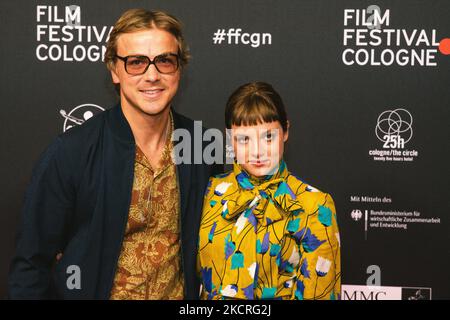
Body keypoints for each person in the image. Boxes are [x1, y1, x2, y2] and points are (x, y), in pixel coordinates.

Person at [8, 8, 221, 299]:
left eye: (165, 61)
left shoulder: (201, 145)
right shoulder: (72, 152)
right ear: (114, 70)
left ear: (179, 69)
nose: (152, 75)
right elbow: (31, 266)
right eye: (136, 62)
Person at [197, 81, 341, 300]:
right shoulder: (211, 190)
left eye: (268, 137)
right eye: (244, 139)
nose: (257, 151)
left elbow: (320, 294)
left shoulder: (315, 204)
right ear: (230, 140)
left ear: (285, 132)